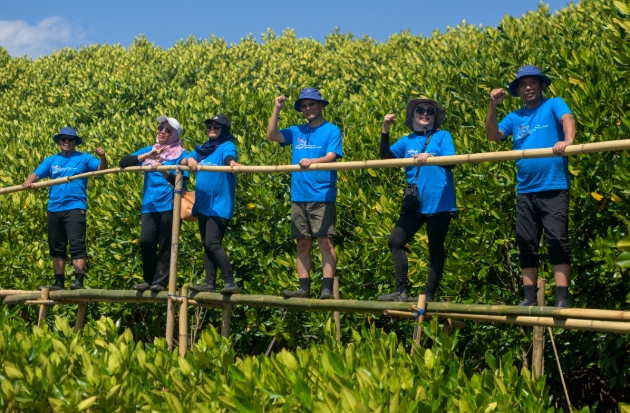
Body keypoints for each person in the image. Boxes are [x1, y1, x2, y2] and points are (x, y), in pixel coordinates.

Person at [486, 65, 576, 308]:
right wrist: (492, 106)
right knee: (525, 241)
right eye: (523, 84)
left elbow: (567, 118)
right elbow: (493, 135)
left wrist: (567, 141)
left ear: (541, 85)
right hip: (525, 189)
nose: (528, 88)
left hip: (553, 185)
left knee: (557, 240)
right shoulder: (515, 117)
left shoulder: (553, 104)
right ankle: (529, 297)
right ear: (518, 90)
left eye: (533, 83)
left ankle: (561, 298)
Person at [266, 88, 343, 299]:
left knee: (325, 242)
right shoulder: (297, 131)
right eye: (304, 106)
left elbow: (332, 156)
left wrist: (313, 161)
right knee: (302, 243)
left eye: (312, 104)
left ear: (320, 106)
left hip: (321, 194)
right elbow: (272, 135)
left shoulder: (331, 130)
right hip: (299, 195)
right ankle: (304, 288)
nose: (308, 109)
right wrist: (277, 109)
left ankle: (326, 288)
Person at [377, 99, 457, 302]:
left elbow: (453, 162)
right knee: (395, 240)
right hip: (416, 203)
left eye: (430, 111)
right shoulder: (407, 141)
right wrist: (385, 129)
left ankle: (428, 295)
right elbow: (385, 158)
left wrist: (432, 156)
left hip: (440, 202)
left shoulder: (442, 136)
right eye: (420, 110)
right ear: (413, 115)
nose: (425, 114)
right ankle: (401, 291)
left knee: (435, 247)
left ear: (434, 116)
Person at [22, 127, 108, 291]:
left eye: (70, 139)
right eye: (63, 139)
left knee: (77, 244)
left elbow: (101, 170)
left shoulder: (83, 158)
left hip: (75, 207)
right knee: (56, 245)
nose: (66, 142)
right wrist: (28, 181)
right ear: (59, 142)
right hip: (54, 207)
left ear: (75, 142)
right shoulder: (51, 160)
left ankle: (78, 281)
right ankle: (58, 282)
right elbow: (36, 174)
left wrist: (103, 156)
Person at [119, 116, 188, 292]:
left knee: (167, 242)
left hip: (170, 203)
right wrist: (147, 156)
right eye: (160, 128)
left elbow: (179, 181)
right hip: (150, 203)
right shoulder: (150, 150)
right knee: (146, 241)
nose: (162, 132)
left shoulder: (181, 154)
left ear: (175, 134)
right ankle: (149, 279)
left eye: (167, 130)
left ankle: (160, 281)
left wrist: (164, 170)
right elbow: (123, 163)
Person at [183, 114, 240, 295]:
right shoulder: (202, 150)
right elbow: (184, 159)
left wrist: (232, 163)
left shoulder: (226, 145)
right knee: (207, 245)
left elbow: (229, 158)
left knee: (213, 243)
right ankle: (210, 283)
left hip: (219, 204)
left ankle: (230, 282)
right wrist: (189, 160)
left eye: (217, 126)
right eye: (210, 126)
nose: (212, 129)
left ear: (224, 129)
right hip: (203, 204)